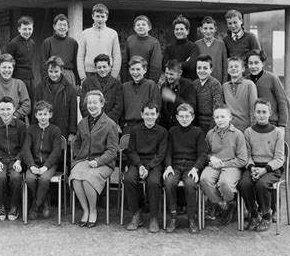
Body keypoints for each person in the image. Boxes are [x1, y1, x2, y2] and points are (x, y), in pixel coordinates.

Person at [69, 90, 118, 227]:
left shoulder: (110, 124)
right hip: (84, 160)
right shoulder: (83, 123)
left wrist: (98, 161)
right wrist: (78, 157)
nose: (92, 106)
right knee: (75, 177)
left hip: (103, 163)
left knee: (87, 179)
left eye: (95, 102)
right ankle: (85, 210)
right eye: (89, 103)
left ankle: (93, 210)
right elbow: (76, 142)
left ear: (101, 104)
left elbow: (112, 150)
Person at [239, 99, 285, 232]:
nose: (261, 115)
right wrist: (252, 167)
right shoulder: (248, 132)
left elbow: (279, 158)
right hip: (253, 167)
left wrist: (265, 170)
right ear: (254, 113)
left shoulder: (277, 133)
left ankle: (266, 216)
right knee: (244, 183)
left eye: (264, 112)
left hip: (271, 168)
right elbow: (246, 155)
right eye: (258, 112)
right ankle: (254, 214)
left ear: (270, 113)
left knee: (261, 184)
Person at [163, 103, 207, 234]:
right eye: (181, 116)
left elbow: (202, 154)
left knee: (190, 184)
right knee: (169, 182)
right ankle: (173, 217)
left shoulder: (198, 132)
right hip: (175, 165)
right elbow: (168, 151)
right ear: (176, 117)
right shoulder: (172, 131)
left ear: (192, 117)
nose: (184, 119)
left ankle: (191, 218)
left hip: (191, 166)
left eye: (187, 116)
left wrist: (196, 168)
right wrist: (168, 166)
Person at [200, 104, 247, 225]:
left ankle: (229, 201)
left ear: (230, 117)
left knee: (224, 183)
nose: (219, 120)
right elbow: (205, 153)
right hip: (214, 165)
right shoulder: (210, 133)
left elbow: (242, 160)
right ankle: (223, 204)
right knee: (204, 180)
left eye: (222, 116)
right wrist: (211, 158)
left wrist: (224, 164)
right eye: (217, 117)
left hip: (231, 165)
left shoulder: (238, 134)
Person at [124, 103, 167, 233]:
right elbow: (131, 151)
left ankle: (154, 217)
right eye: (147, 114)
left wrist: (148, 167)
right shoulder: (135, 130)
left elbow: (161, 154)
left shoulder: (162, 132)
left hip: (154, 164)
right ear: (142, 115)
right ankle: (136, 214)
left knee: (153, 182)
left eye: (152, 114)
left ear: (157, 115)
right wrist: (140, 165)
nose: (149, 117)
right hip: (138, 162)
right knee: (129, 179)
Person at [0, 96, 26, 221]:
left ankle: (14, 206)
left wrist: (19, 159)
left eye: (8, 109)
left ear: (14, 109)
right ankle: (0, 205)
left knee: (16, 177)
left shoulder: (21, 125)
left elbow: (25, 146)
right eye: (2, 109)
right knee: (0, 177)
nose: (5, 112)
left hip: (15, 160)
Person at [22, 101, 62, 219]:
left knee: (44, 179)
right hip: (34, 163)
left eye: (45, 114)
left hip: (49, 164)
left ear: (50, 115)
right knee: (30, 178)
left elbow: (56, 151)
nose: (43, 117)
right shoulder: (31, 130)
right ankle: (44, 200)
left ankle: (35, 205)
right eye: (40, 114)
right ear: (36, 115)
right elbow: (26, 149)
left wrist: (46, 166)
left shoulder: (55, 130)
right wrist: (31, 165)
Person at [34, 56, 77, 145]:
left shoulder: (70, 89)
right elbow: (35, 109)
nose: (53, 74)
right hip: (44, 128)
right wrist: (34, 129)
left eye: (56, 71)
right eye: (51, 71)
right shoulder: (40, 87)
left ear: (61, 70)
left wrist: (72, 132)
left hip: (63, 129)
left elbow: (73, 112)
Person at [246, 50, 290, 132]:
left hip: (272, 124)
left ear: (262, 63)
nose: (253, 66)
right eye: (250, 63)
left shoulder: (272, 78)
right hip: (253, 126)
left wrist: (282, 126)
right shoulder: (246, 81)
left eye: (256, 63)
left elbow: (283, 102)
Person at [77, 3, 121, 82]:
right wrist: (82, 77)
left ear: (106, 17)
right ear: (92, 16)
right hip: (89, 73)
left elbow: (117, 56)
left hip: (107, 72)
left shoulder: (113, 33)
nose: (100, 19)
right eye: (97, 16)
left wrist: (114, 75)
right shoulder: (85, 33)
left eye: (102, 16)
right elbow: (80, 56)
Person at [121, 55, 161, 134]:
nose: (135, 72)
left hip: (146, 126)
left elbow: (156, 107)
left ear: (145, 70)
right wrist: (123, 125)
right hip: (128, 127)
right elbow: (121, 108)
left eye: (138, 69)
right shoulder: (125, 86)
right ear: (129, 70)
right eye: (132, 69)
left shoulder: (151, 85)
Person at [79, 54, 123, 124]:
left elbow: (118, 106)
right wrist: (93, 119)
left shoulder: (117, 84)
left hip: (110, 123)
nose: (102, 69)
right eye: (99, 67)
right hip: (91, 122)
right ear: (96, 68)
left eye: (104, 67)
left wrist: (106, 121)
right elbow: (83, 105)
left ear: (109, 67)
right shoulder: (87, 83)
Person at [0, 53, 31, 122]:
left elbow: (26, 104)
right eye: (4, 67)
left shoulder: (19, 84)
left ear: (13, 69)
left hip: (16, 121)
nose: (7, 70)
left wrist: (15, 116)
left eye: (9, 67)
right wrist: (0, 119)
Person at [121, 15, 162, 83]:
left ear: (149, 27)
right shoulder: (130, 40)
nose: (140, 26)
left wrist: (151, 83)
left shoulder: (154, 43)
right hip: (130, 81)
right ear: (134, 28)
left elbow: (155, 67)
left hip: (146, 81)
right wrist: (124, 81)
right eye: (138, 25)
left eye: (143, 24)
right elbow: (125, 62)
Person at [40, 13, 78, 87]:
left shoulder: (73, 42)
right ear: (54, 26)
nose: (62, 27)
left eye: (64, 25)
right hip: (53, 75)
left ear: (68, 28)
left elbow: (76, 63)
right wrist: (45, 79)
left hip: (68, 75)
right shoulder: (47, 42)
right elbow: (43, 63)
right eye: (60, 25)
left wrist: (77, 81)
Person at [2, 16, 35, 100]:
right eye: (24, 29)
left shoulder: (32, 43)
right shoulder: (13, 43)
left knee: (30, 101)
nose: (27, 32)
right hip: (17, 78)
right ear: (19, 29)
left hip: (30, 79)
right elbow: (8, 62)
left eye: (29, 29)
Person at [223, 57, 257, 132]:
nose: (233, 68)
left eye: (236, 66)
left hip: (246, 128)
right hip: (229, 129)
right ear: (227, 70)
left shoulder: (249, 85)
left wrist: (253, 129)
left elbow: (253, 108)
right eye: (231, 67)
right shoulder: (224, 86)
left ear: (243, 69)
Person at [160, 59, 196, 129]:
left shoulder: (188, 85)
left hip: (182, 127)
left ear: (180, 73)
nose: (168, 76)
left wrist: (174, 98)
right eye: (166, 73)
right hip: (166, 127)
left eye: (171, 74)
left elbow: (192, 107)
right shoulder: (164, 85)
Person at [193, 55, 224, 136]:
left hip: (210, 124)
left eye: (205, 68)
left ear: (211, 70)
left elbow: (217, 108)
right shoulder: (194, 84)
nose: (201, 71)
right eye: (199, 68)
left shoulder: (215, 84)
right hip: (195, 123)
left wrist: (211, 130)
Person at [162, 15, 198, 80]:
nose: (179, 31)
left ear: (187, 31)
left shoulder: (192, 46)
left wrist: (172, 65)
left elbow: (190, 66)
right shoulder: (169, 48)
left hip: (188, 83)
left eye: (181, 29)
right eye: (177, 29)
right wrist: (184, 63)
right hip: (171, 82)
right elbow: (164, 67)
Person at [194, 16, 227, 84]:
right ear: (201, 29)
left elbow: (225, 67)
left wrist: (224, 83)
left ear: (215, 29)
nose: (208, 31)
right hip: (201, 83)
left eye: (211, 28)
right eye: (205, 28)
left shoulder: (221, 44)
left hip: (218, 82)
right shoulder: (196, 44)